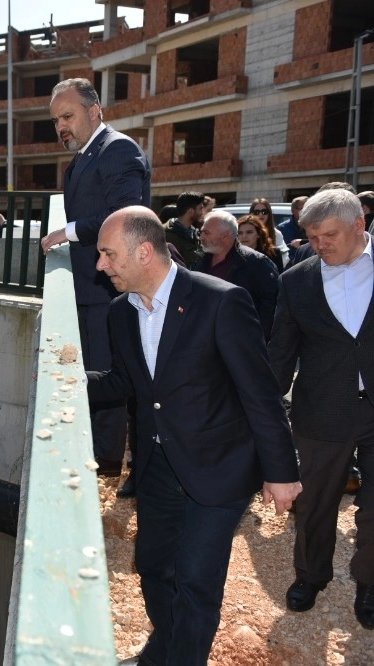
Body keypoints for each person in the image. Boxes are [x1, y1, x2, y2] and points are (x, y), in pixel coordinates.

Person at [87, 206, 300, 665]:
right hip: (158, 466)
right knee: (152, 566)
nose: (100, 265)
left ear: (144, 252)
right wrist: (69, 382)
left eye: (108, 254)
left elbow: (260, 393)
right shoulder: (120, 312)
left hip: (219, 467)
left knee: (197, 581)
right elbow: (128, 381)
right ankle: (167, 641)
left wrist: (281, 472)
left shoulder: (221, 301)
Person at [268, 187, 374, 630]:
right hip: (320, 412)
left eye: (328, 235)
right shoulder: (296, 280)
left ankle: (369, 583)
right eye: (312, 237)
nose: (320, 245)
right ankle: (311, 576)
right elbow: (281, 354)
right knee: (313, 504)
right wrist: (259, 409)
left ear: (359, 226)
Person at [40, 77, 151, 477]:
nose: (61, 127)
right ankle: (99, 453)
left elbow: (126, 213)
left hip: (111, 287)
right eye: (56, 120)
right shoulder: (83, 157)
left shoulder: (117, 149)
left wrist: (66, 233)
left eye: (67, 116)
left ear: (95, 111)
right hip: (88, 288)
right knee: (92, 370)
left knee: (107, 373)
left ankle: (105, 461)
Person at [192, 211, 279, 339]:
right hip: (205, 340)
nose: (201, 237)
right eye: (201, 232)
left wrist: (256, 338)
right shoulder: (199, 260)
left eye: (207, 233)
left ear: (225, 235)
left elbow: (271, 304)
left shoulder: (256, 263)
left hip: (240, 340)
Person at [162, 191, 206, 267]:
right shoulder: (166, 236)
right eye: (200, 209)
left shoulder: (196, 235)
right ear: (191, 211)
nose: (202, 213)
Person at [248, 198, 289, 270]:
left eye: (264, 212)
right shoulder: (244, 231)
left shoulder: (276, 233)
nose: (260, 215)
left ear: (269, 214)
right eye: (256, 212)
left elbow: (284, 258)